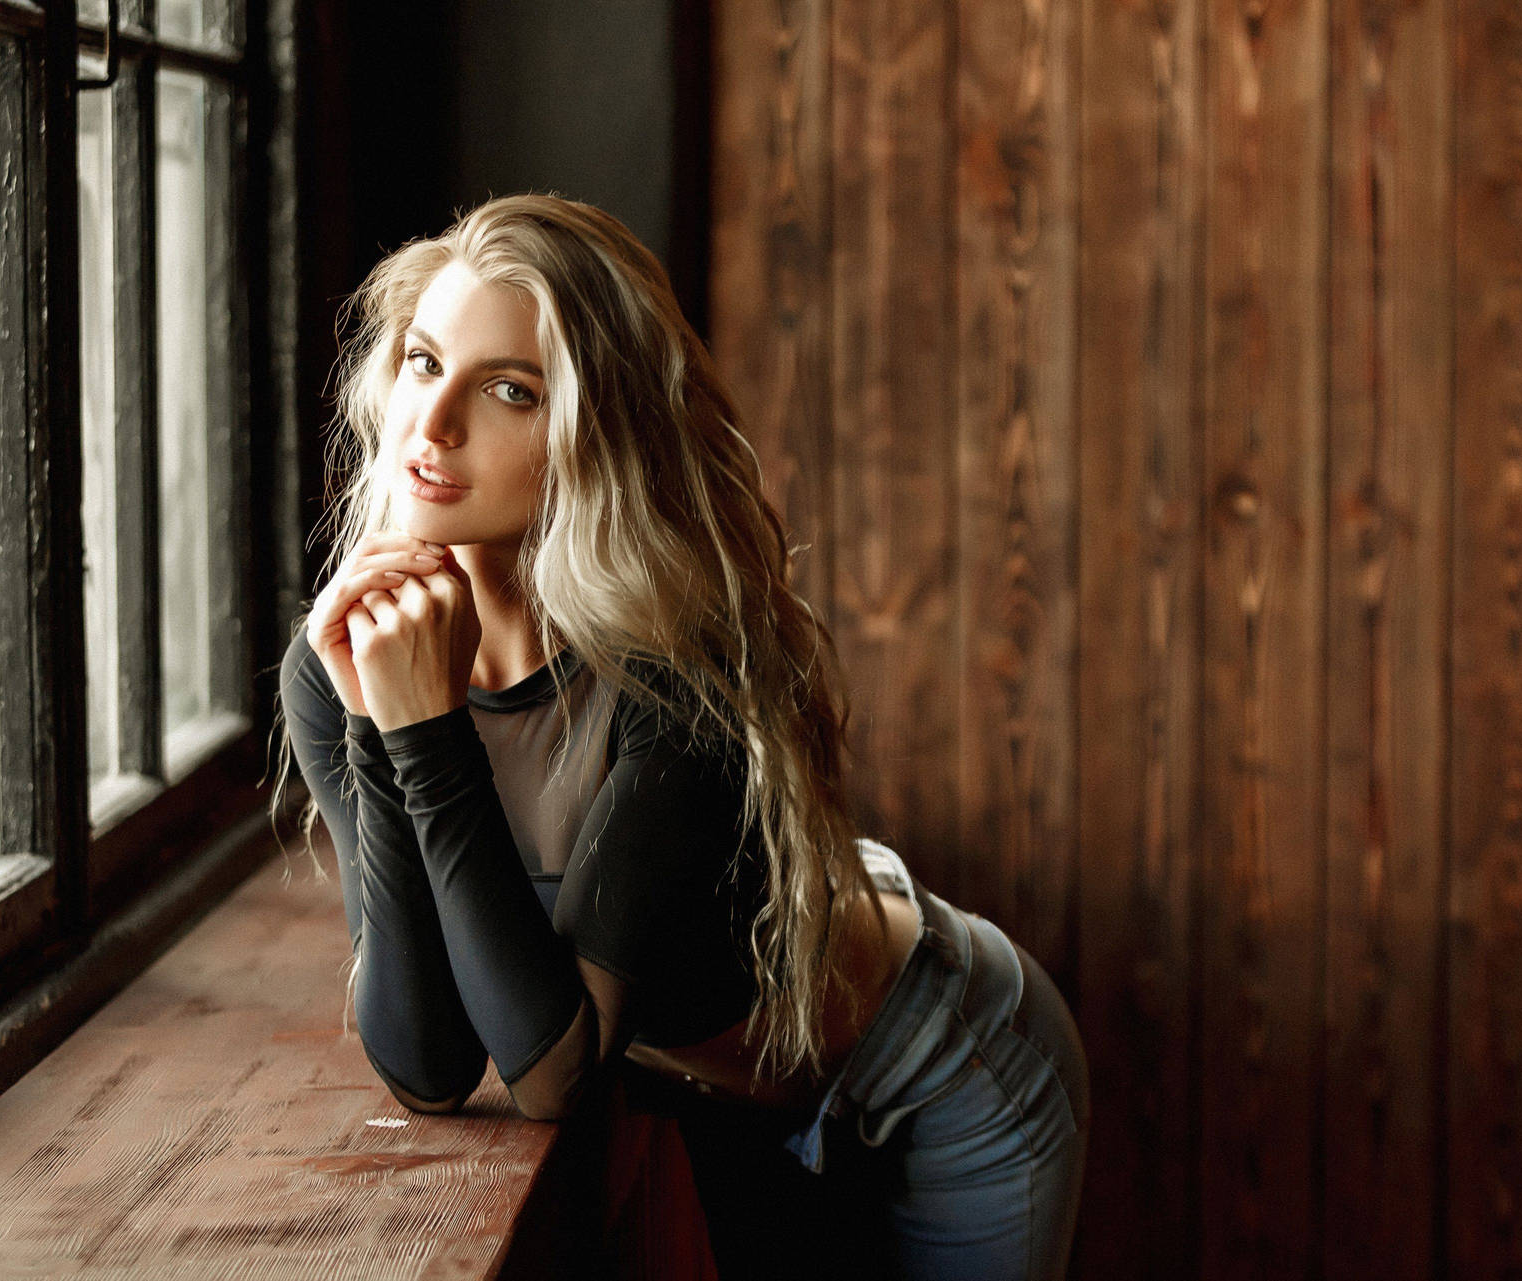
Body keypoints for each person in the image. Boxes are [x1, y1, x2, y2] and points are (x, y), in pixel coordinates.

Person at [270, 193, 1090, 1280]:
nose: (436, 424)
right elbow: (425, 1066)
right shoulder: (348, 664)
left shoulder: (677, 667)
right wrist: (394, 724)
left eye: (510, 390)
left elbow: (555, 1071)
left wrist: (426, 735)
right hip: (726, 1096)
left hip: (940, 1064)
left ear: (594, 434)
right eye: (424, 363)